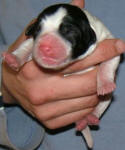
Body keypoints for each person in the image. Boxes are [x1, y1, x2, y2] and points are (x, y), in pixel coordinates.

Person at [0, 0, 125, 150]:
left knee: (104, 95)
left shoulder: (97, 31)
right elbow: (30, 42)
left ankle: (94, 115)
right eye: (41, 30)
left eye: (67, 32)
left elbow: (112, 55)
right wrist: (5, 78)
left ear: (87, 36)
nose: (45, 46)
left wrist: (105, 77)